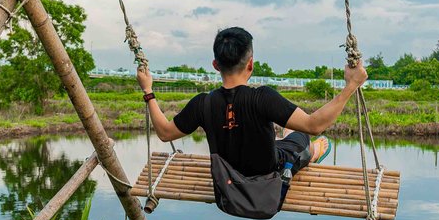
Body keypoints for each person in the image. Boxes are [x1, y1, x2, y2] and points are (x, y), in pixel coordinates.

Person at [136, 26, 368, 183]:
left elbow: (165, 133)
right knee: (301, 136)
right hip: (269, 177)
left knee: (285, 134)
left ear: (215, 65)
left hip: (228, 183)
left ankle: (285, 138)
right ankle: (313, 152)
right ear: (251, 64)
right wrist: (351, 85)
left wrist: (148, 90)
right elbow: (315, 125)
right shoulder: (263, 97)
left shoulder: (202, 103)